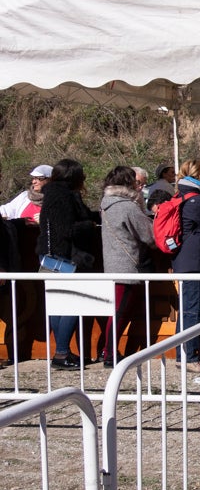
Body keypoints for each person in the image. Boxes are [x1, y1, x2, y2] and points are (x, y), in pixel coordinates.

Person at [37, 158, 100, 368]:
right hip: (65, 257)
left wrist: (95, 216)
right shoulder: (63, 196)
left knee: (58, 305)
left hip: (51, 256)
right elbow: (66, 230)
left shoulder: (54, 194)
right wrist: (90, 225)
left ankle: (62, 351)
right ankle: (61, 353)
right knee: (73, 303)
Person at [99, 166, 156, 368]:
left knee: (118, 311)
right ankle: (109, 353)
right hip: (127, 266)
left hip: (113, 264)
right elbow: (149, 235)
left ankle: (108, 350)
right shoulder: (127, 207)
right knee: (120, 312)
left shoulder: (106, 203)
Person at [172, 160, 200, 369]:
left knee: (187, 309)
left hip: (183, 259)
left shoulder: (180, 195)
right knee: (193, 310)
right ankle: (189, 357)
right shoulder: (198, 200)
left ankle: (184, 354)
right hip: (194, 262)